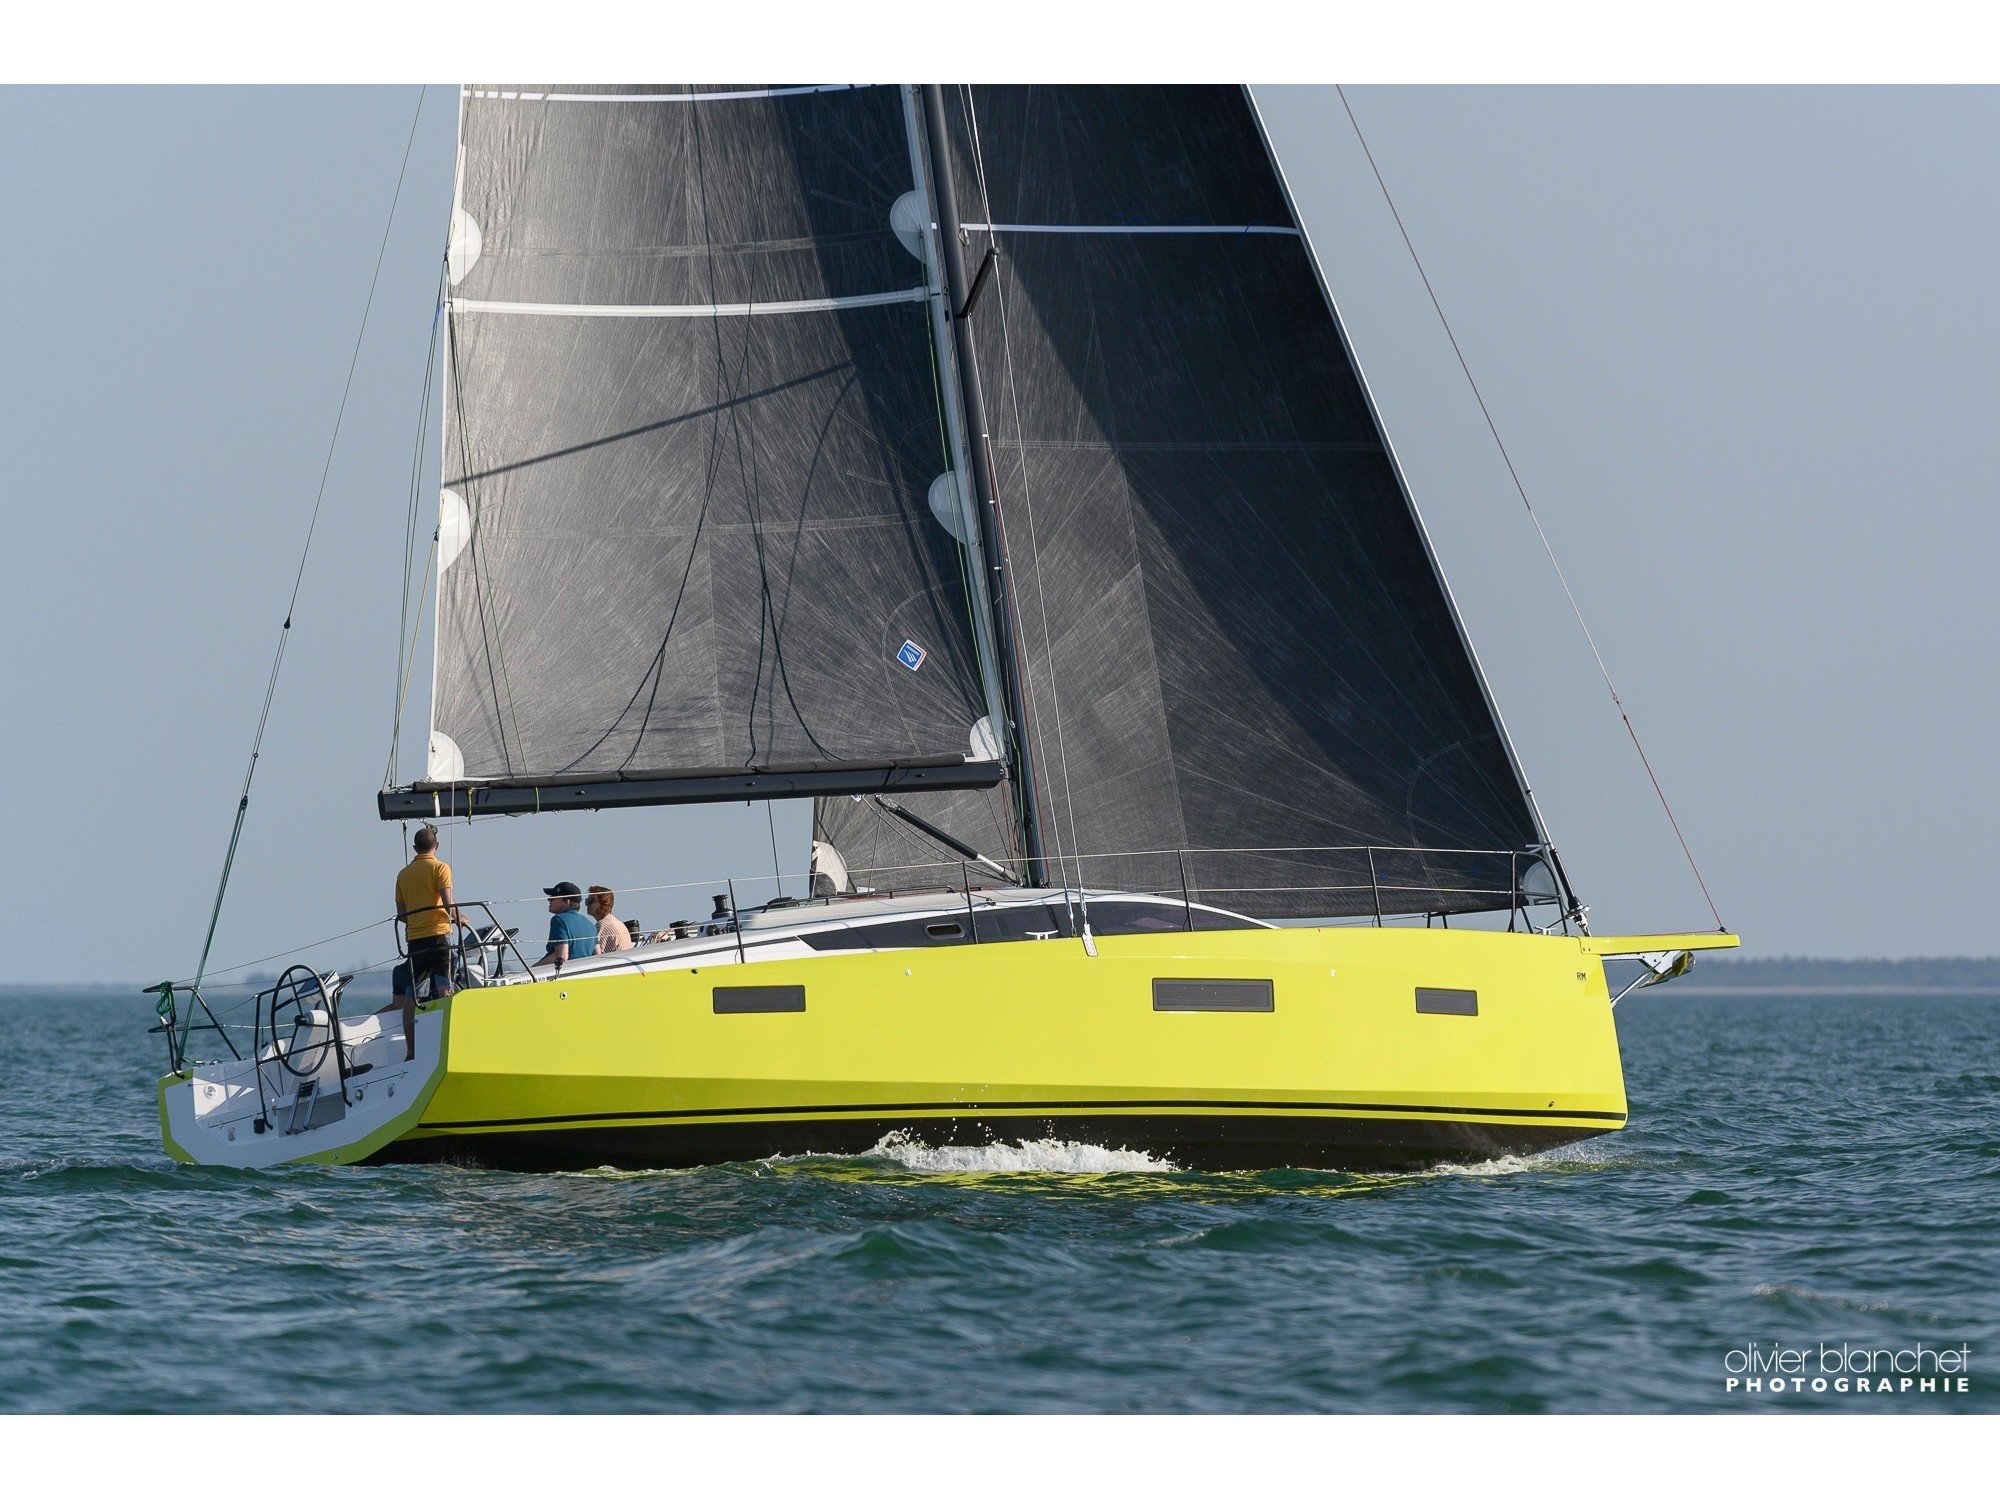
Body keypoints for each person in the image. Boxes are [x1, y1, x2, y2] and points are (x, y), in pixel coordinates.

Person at [389, 826, 465, 1061]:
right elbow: (447, 901)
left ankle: (411, 1052)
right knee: (444, 987)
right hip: (438, 936)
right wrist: (457, 917)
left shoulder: (403, 874)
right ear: (437, 846)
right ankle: (446, 1045)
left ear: (414, 848)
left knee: (413, 995)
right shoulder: (441, 867)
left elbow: (401, 915)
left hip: (415, 941)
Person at [536, 881, 598, 970]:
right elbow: (597, 956)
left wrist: (533, 968)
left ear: (566, 902)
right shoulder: (590, 925)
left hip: (563, 974)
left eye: (553, 897)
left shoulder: (558, 920)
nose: (549, 900)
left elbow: (562, 956)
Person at [586, 885, 634, 953]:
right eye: (587, 900)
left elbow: (596, 955)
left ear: (603, 903)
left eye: (591, 900)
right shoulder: (618, 923)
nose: (587, 904)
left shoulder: (603, 925)